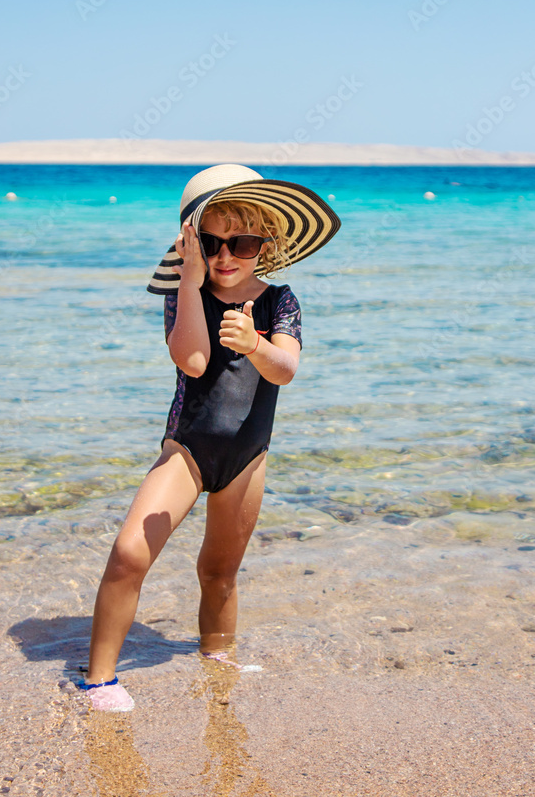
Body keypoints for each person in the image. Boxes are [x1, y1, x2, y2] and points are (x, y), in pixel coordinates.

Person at [82, 164, 340, 711]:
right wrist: (192, 283)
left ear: (265, 244)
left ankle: (217, 657)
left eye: (241, 242)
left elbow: (285, 370)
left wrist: (254, 343)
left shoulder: (280, 301)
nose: (227, 255)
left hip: (248, 457)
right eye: (212, 242)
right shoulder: (184, 294)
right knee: (129, 553)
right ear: (191, 243)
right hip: (190, 450)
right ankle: (98, 680)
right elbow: (194, 361)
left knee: (220, 572)